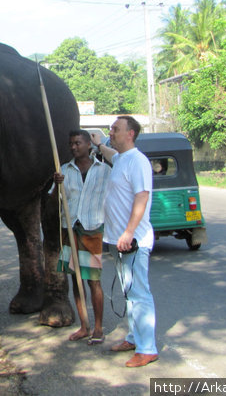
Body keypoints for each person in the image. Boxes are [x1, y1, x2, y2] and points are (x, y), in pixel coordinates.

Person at [94, 116, 159, 368]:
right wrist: (99, 144)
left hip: (132, 241)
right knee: (129, 293)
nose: (111, 132)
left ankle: (147, 349)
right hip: (118, 240)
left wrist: (129, 232)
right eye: (111, 128)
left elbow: (141, 199)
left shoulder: (138, 161)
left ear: (130, 134)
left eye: (115, 129)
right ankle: (134, 338)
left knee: (139, 294)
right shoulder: (121, 158)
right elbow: (110, 153)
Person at [52, 129, 111, 344]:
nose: (74, 147)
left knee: (93, 281)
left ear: (88, 145)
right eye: (71, 143)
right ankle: (84, 326)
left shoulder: (104, 170)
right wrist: (56, 185)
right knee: (76, 281)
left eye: (78, 143)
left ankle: (98, 328)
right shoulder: (64, 171)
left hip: (92, 230)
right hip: (70, 229)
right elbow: (53, 200)